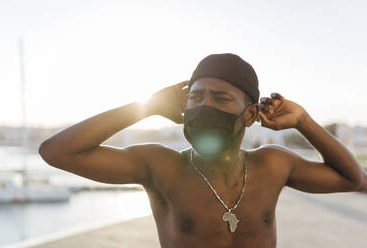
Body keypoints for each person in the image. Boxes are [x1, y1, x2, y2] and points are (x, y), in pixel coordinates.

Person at [38, 53, 367, 247]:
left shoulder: (273, 165)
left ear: (250, 114)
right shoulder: (161, 165)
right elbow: (57, 152)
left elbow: (353, 180)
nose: (203, 107)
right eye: (196, 98)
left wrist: (304, 121)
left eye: (220, 99)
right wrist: (148, 106)